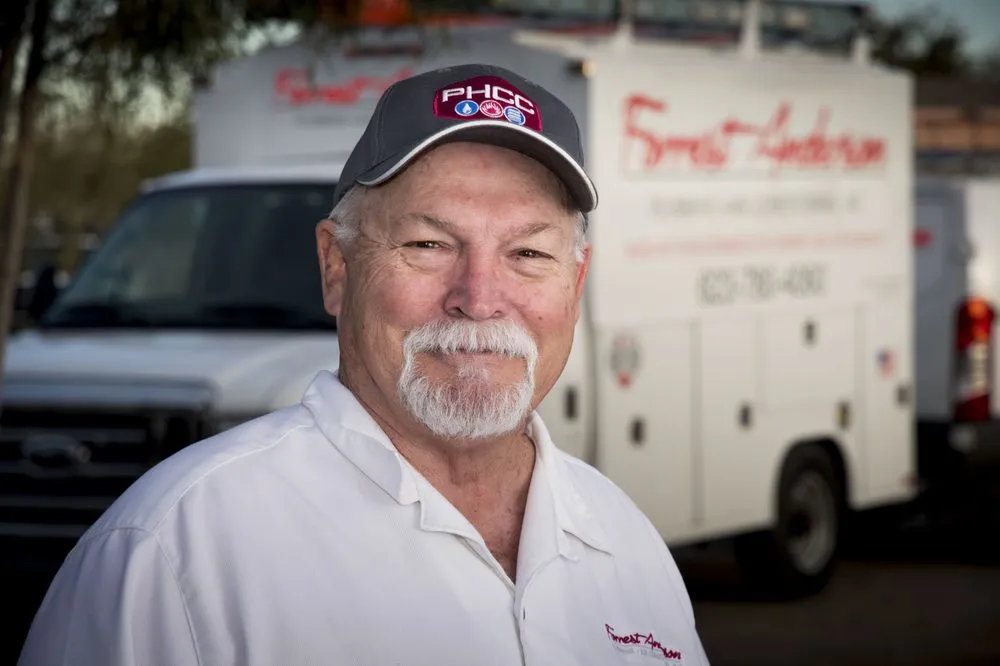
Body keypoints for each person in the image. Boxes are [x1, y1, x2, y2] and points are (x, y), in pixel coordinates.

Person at [19, 63, 710, 666]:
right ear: (336, 267)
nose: (478, 299)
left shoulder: (625, 541)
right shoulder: (171, 552)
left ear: (576, 282)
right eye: (428, 245)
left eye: (528, 253)